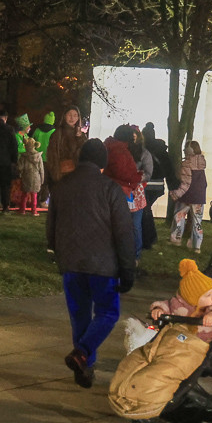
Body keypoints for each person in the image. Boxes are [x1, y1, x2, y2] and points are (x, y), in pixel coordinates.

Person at [46, 138, 136, 388]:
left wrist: (59, 253)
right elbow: (124, 232)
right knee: (108, 312)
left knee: (80, 316)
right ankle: (83, 352)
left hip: (71, 264)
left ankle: (85, 364)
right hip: (103, 266)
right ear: (102, 163)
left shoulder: (62, 187)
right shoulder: (110, 189)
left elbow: (51, 229)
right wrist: (127, 267)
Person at [109, 259, 212, 419]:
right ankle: (121, 395)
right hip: (169, 339)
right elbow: (168, 304)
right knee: (134, 361)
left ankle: (144, 403)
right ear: (193, 299)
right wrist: (158, 309)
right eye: (208, 295)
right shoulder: (182, 305)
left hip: (193, 347)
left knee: (162, 372)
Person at [104, 125, 145, 265]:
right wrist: (137, 177)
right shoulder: (120, 150)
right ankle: (133, 257)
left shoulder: (110, 146)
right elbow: (123, 172)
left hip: (115, 189)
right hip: (126, 190)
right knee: (133, 225)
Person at [169, 140, 208, 253]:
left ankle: (176, 238)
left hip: (186, 196)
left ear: (188, 151)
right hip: (199, 196)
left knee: (179, 216)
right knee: (197, 221)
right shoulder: (202, 162)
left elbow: (185, 183)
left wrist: (175, 194)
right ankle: (197, 245)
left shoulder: (186, 164)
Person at [30, 112, 55, 204]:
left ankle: (35, 199)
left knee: (38, 180)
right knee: (47, 181)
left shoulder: (37, 130)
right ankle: (43, 200)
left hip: (37, 159)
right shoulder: (54, 132)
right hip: (49, 160)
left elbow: (32, 142)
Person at [17, 135, 44, 216]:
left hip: (26, 176)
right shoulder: (38, 156)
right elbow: (41, 169)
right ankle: (34, 210)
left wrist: (20, 173)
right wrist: (42, 179)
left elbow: (20, 167)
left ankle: (22, 210)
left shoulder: (23, 156)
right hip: (36, 176)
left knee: (25, 194)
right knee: (34, 194)